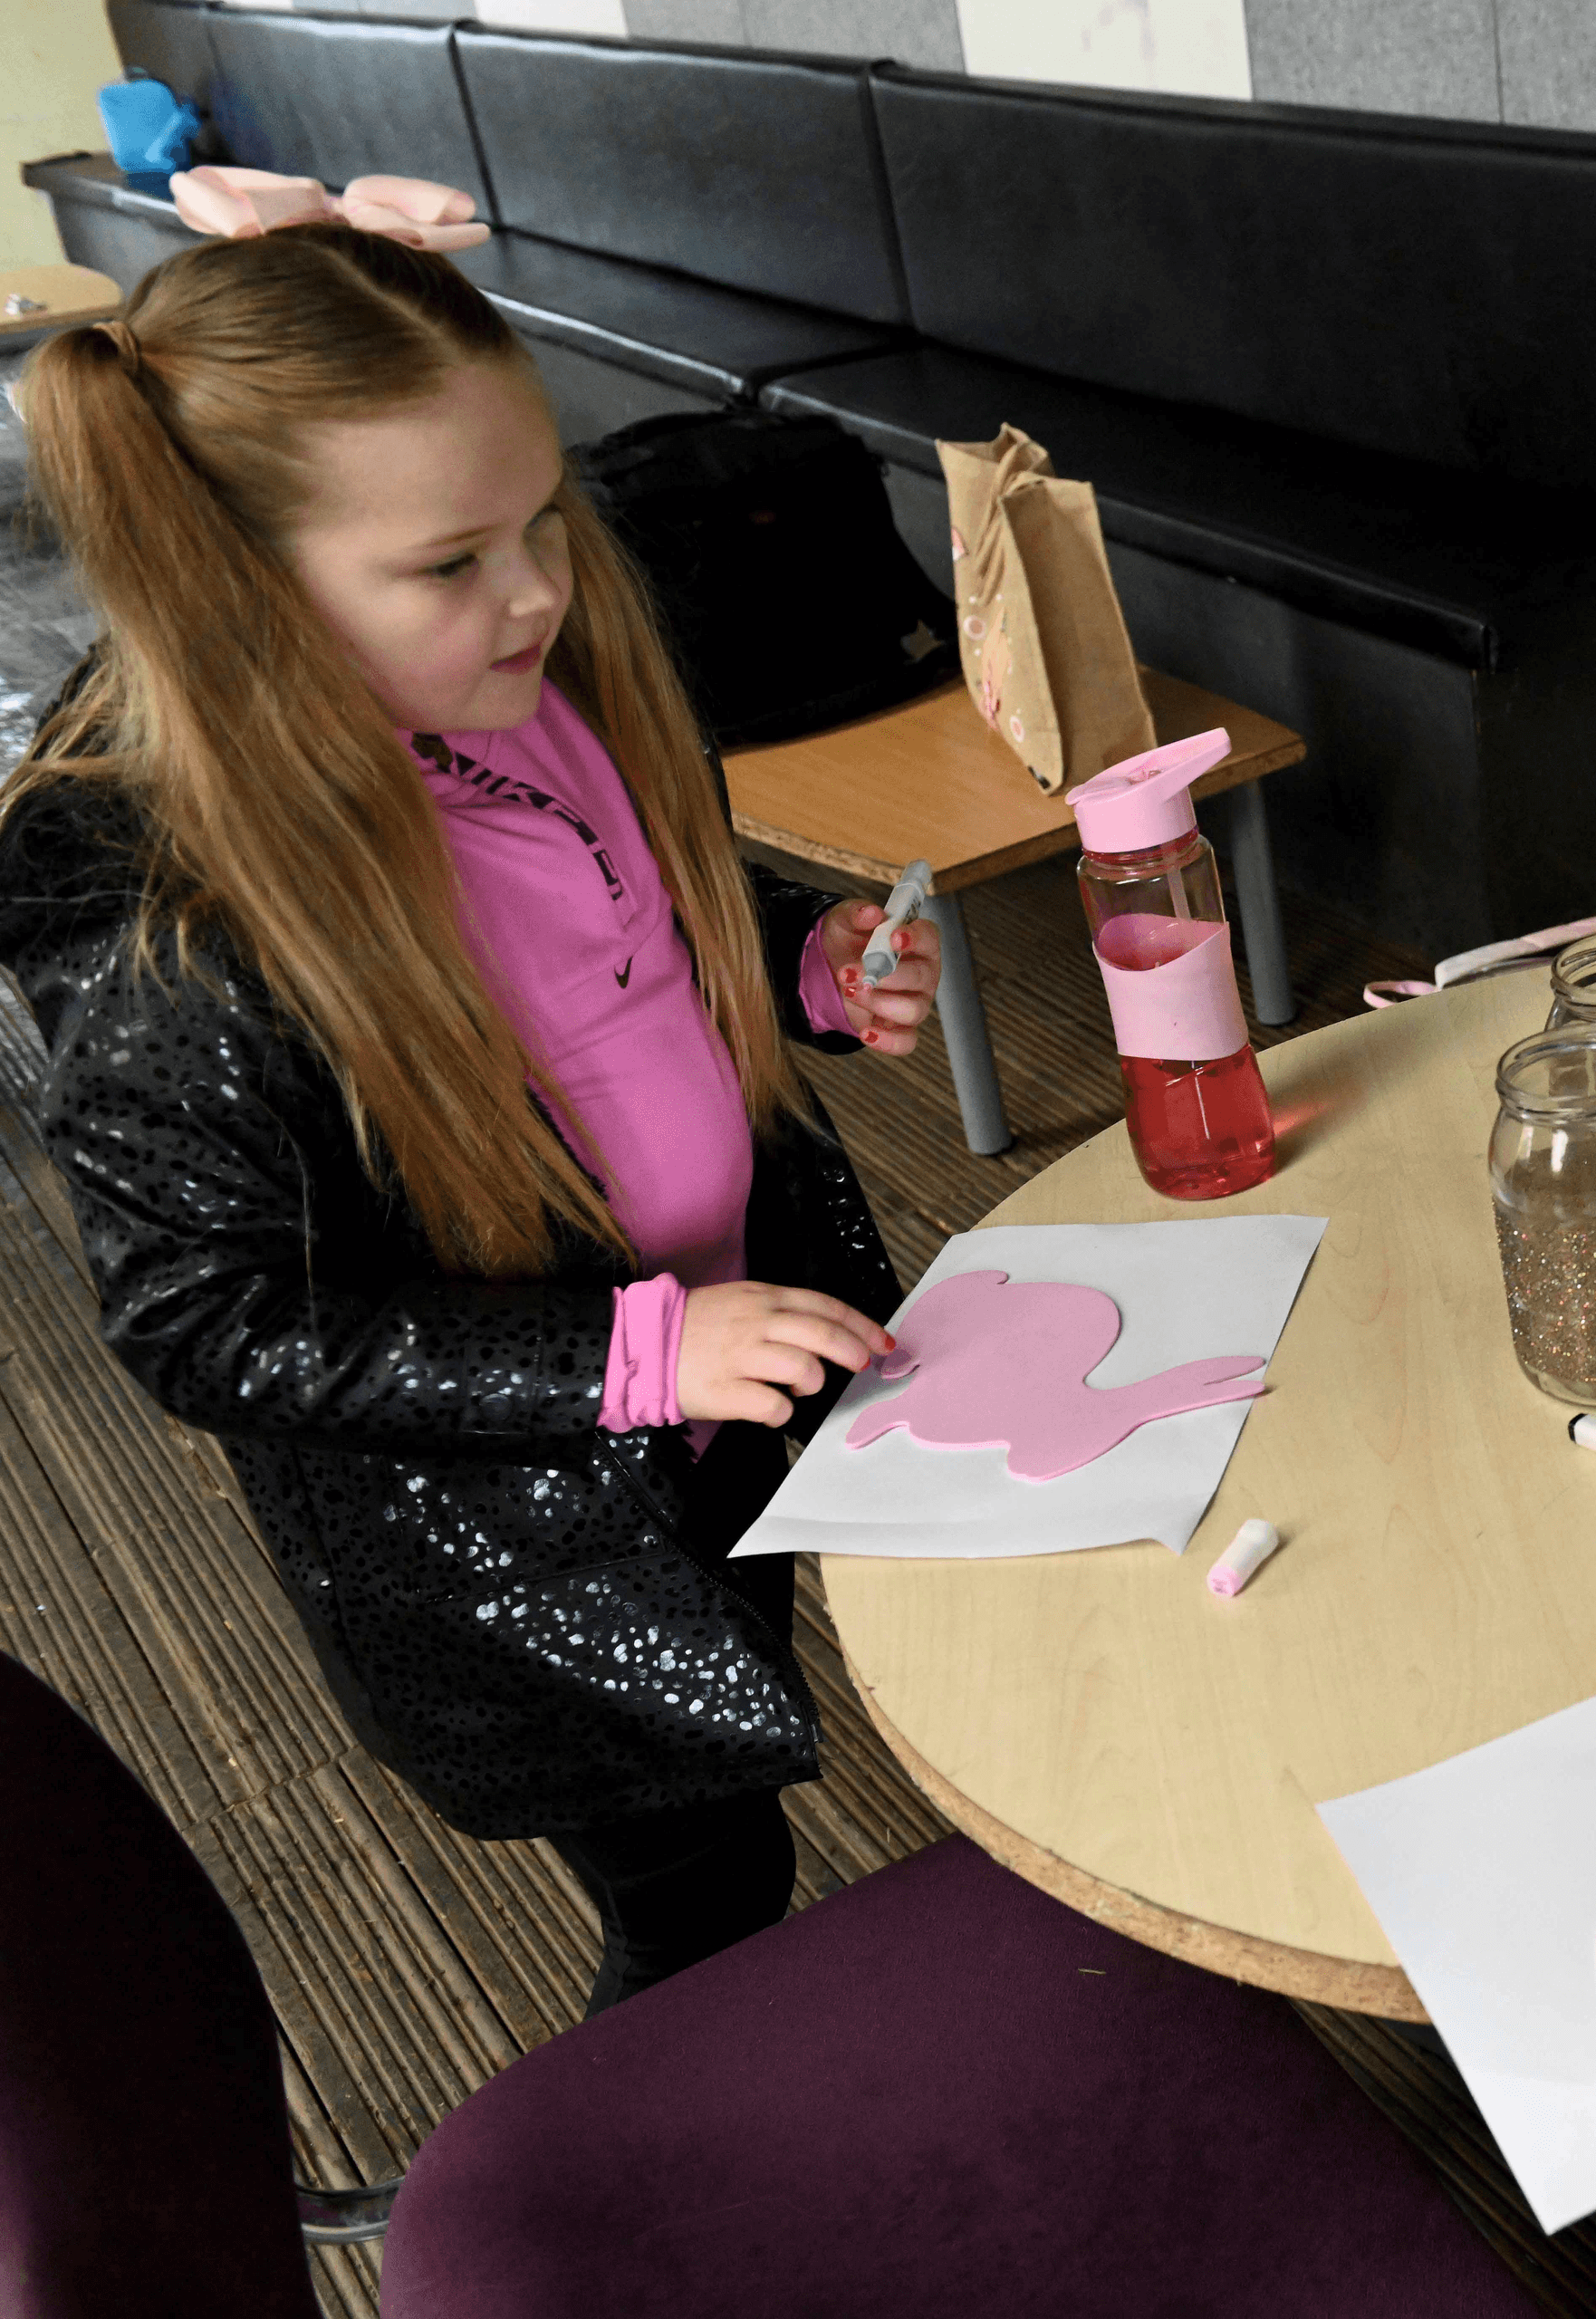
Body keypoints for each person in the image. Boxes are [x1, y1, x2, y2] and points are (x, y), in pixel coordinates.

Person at [0, 218, 947, 2015]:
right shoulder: (155, 904)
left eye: (546, 527)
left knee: (792, 1684)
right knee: (705, 1887)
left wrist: (791, 959)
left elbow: (617, 894)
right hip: (538, 1523)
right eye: (451, 561)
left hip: (715, 1369)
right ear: (240, 588)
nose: (536, 593)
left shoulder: (495, 676)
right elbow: (209, 1316)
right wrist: (631, 1357)